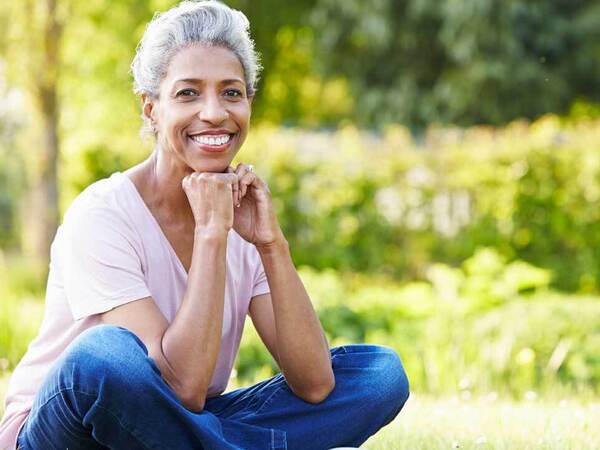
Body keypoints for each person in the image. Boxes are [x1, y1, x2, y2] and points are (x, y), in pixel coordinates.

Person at [0, 1, 409, 449]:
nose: (214, 112)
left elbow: (314, 384)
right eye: (188, 93)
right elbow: (180, 387)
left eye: (231, 93)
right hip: (70, 429)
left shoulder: (245, 215)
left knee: (378, 375)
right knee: (103, 356)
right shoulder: (101, 215)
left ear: (248, 104)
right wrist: (211, 235)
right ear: (151, 108)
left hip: (174, 427)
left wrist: (271, 244)